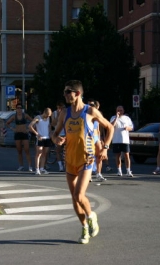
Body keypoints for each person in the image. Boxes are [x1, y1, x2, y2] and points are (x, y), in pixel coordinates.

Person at [52, 80, 114, 244]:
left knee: (79, 195)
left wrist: (105, 147)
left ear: (77, 93)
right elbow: (55, 133)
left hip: (87, 159)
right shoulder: (64, 113)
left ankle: (91, 215)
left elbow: (110, 127)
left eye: (67, 92)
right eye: (64, 92)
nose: (65, 95)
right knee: (74, 198)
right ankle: (84, 227)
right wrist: (57, 139)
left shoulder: (90, 111)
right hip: (70, 159)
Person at [5, 103, 34, 171]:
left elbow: (33, 121)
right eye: (18, 108)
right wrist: (12, 129)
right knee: (19, 150)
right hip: (17, 134)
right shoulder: (14, 116)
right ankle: (21, 165)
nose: (19, 109)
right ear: (16, 109)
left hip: (24, 133)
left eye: (20, 108)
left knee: (27, 150)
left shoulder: (25, 115)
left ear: (22, 109)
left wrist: (28, 129)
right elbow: (7, 123)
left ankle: (30, 166)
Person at [87, 99, 109, 182]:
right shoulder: (87, 115)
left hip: (96, 136)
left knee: (99, 155)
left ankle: (98, 174)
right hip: (89, 137)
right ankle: (88, 175)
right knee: (90, 156)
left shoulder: (97, 116)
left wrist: (100, 139)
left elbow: (99, 129)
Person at [110, 105, 134, 177]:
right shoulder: (113, 117)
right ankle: (119, 171)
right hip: (116, 140)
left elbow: (132, 127)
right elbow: (111, 126)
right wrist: (116, 117)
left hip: (125, 140)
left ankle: (128, 171)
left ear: (123, 111)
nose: (119, 112)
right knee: (118, 156)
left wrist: (128, 128)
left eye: (121, 110)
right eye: (118, 110)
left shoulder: (127, 118)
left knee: (127, 155)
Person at [29, 107, 52, 175]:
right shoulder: (38, 117)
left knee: (44, 154)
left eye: (49, 115)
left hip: (47, 137)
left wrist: (50, 133)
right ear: (44, 112)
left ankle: (42, 168)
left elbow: (48, 126)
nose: (48, 116)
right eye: (47, 115)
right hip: (40, 138)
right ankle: (37, 169)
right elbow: (30, 126)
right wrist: (37, 134)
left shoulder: (48, 118)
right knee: (38, 153)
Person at [51, 101, 66, 172]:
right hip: (58, 134)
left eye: (62, 108)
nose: (60, 109)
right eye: (59, 108)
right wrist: (58, 115)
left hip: (66, 134)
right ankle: (60, 166)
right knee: (58, 150)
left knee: (67, 150)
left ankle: (66, 164)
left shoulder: (67, 113)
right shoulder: (54, 113)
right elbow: (53, 124)